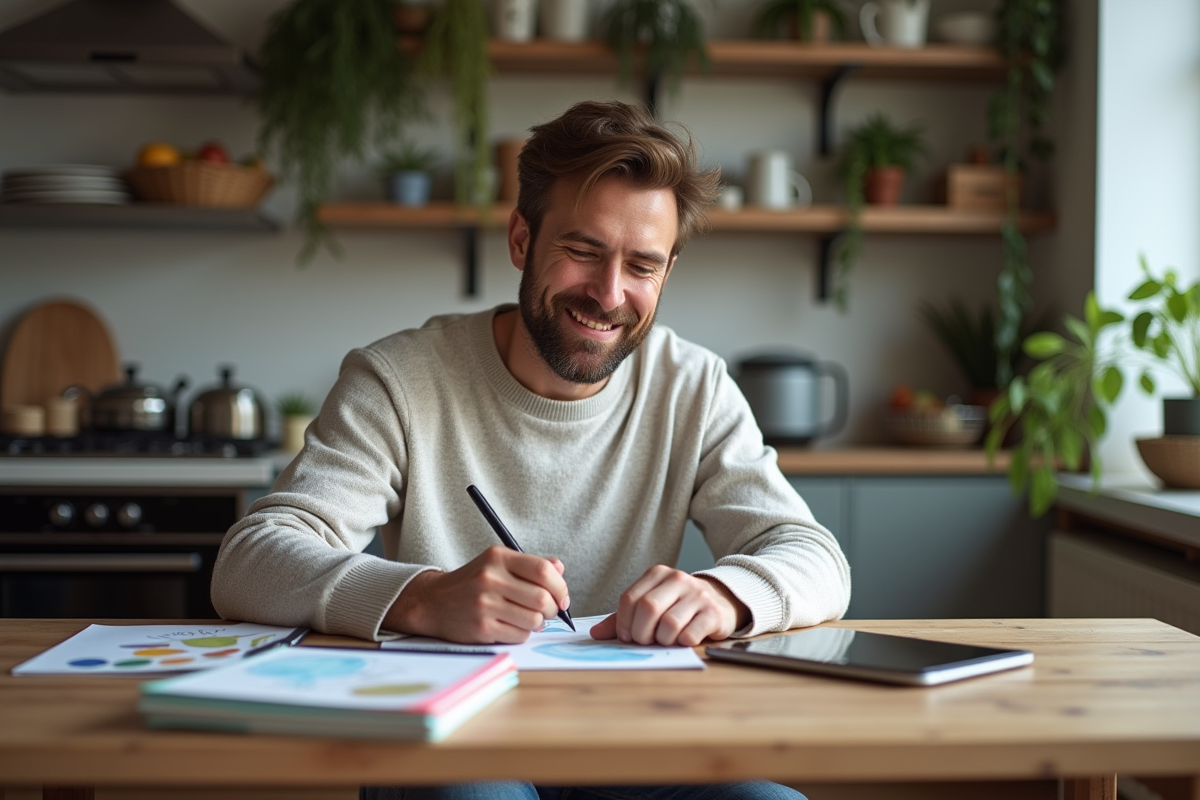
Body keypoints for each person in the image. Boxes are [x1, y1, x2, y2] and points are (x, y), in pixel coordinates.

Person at [212, 100, 850, 800]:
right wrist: (421, 599)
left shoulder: (693, 386)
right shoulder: (398, 380)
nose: (609, 294)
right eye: (583, 251)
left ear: (666, 272)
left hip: (633, 741)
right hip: (454, 738)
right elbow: (250, 560)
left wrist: (725, 595)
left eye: (642, 265)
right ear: (522, 239)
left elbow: (814, 556)